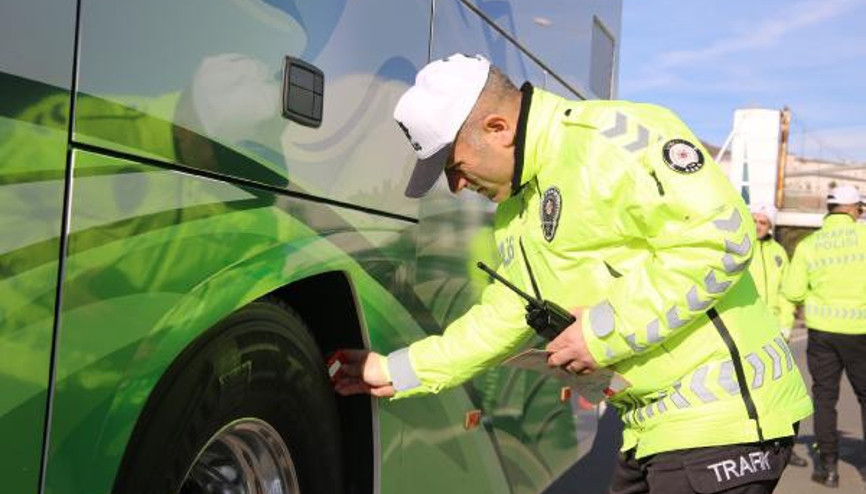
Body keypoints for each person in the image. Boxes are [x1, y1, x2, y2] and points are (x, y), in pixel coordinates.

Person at [334, 53, 812, 493]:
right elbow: (503, 318)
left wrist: (602, 333)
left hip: (723, 423)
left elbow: (720, 238)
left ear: (498, 128)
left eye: (454, 165)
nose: (456, 186)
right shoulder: (517, 209)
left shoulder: (611, 138)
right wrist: (398, 370)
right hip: (653, 429)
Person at [783, 184, 866, 488]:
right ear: (855, 208)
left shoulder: (809, 245)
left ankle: (829, 469)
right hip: (861, 331)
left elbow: (792, 291)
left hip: (822, 334)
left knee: (824, 398)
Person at [748, 203, 809, 469]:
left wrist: (786, 325)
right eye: (754, 220)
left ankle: (783, 447)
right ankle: (749, 446)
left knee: (780, 393)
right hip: (744, 329)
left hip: (772, 332)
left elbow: (786, 293)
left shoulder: (779, 253)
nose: (757, 226)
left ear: (771, 226)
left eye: (763, 222)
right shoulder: (740, 248)